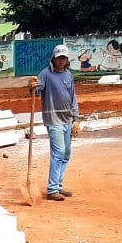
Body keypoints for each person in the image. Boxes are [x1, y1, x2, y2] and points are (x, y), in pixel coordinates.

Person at [29, 43, 80, 202]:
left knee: (66, 154)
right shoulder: (45, 74)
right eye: (59, 58)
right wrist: (31, 87)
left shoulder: (68, 75)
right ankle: (52, 190)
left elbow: (73, 98)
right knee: (58, 153)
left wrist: (76, 119)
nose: (61, 61)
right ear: (53, 58)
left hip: (67, 119)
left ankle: (58, 185)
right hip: (54, 120)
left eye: (64, 58)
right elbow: (36, 91)